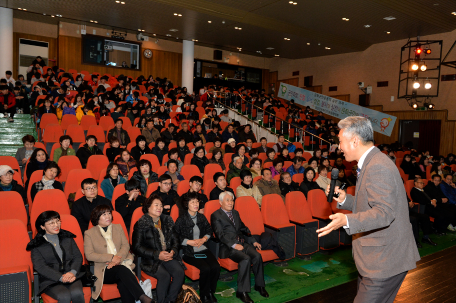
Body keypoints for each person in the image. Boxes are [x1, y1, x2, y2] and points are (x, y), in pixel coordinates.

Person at [316, 116, 419, 303]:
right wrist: (345, 199)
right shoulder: (372, 162)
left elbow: (384, 213)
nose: (339, 147)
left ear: (355, 140)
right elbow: (370, 203)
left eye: (340, 141)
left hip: (384, 261)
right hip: (376, 259)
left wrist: (347, 220)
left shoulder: (378, 166)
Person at [84, 205, 152, 303]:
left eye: (109, 213)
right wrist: (111, 258)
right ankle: (142, 297)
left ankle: (142, 298)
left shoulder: (118, 227)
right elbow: (89, 255)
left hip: (121, 263)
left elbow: (125, 246)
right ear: (97, 218)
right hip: (104, 269)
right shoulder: (89, 233)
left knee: (123, 282)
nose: (108, 216)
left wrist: (117, 259)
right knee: (122, 271)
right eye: (104, 214)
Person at [211, 191, 268, 303]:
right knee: (245, 259)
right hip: (227, 246)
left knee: (257, 255)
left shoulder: (235, 213)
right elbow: (220, 235)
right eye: (227, 200)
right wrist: (234, 245)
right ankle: (241, 292)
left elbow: (244, 228)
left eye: (232, 200)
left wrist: (253, 241)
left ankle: (259, 285)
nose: (230, 202)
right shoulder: (216, 215)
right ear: (220, 202)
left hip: (241, 243)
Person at [131, 195, 185, 303]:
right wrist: (157, 254)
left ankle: (169, 301)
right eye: (156, 205)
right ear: (148, 207)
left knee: (179, 272)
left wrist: (173, 251)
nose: (159, 208)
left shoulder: (167, 220)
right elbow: (136, 247)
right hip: (150, 259)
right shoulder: (141, 223)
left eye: (161, 205)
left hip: (167, 255)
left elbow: (176, 240)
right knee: (164, 276)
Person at [27, 211, 85, 303]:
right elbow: (40, 266)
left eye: (58, 221)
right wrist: (61, 277)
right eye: (51, 223)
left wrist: (72, 273)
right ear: (42, 227)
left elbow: (77, 257)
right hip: (50, 279)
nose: (56, 225)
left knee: (77, 293)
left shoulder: (67, 237)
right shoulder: (36, 245)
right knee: (64, 296)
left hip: (71, 275)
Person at [174, 192, 220, 303]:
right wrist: (188, 242)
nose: (196, 204)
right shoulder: (181, 219)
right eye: (192, 202)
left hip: (202, 249)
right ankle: (204, 295)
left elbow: (209, 230)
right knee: (205, 268)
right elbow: (175, 237)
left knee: (216, 267)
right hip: (189, 252)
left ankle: (210, 291)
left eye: (197, 201)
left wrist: (203, 239)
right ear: (186, 204)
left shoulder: (201, 217)